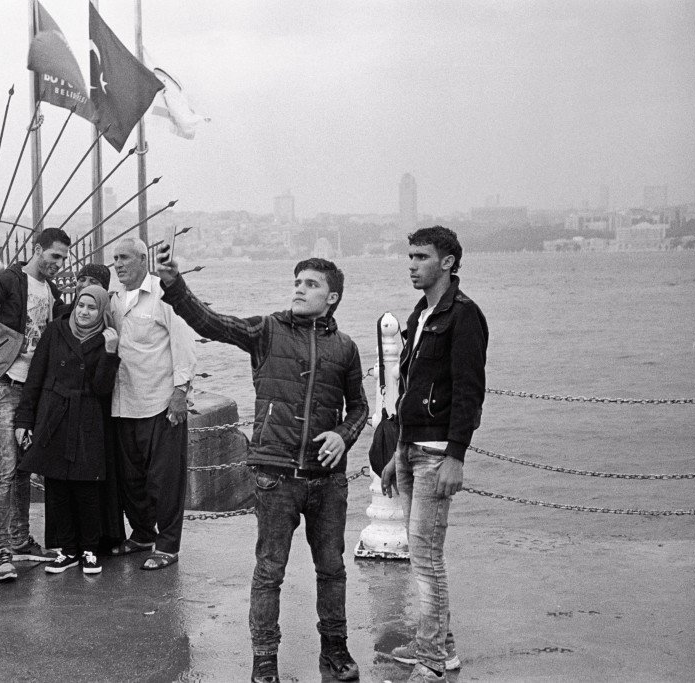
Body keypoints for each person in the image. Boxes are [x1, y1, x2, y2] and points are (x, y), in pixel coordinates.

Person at [155, 249, 368, 683]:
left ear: (333, 297)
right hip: (274, 474)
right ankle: (264, 659)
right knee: (270, 571)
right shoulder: (267, 330)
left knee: (332, 569)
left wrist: (342, 436)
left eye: (311, 284)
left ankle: (335, 650)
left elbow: (360, 408)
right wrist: (175, 286)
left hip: (327, 481)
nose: (299, 289)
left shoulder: (345, 347)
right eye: (298, 281)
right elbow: (213, 324)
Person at [381, 226, 488, 683]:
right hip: (410, 447)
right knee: (420, 553)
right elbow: (409, 389)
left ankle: (432, 659)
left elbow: (469, 391)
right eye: (409, 256)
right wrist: (394, 454)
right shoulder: (421, 315)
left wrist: (456, 455)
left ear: (447, 262)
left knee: (426, 557)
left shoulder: (463, 316)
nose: (411, 264)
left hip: (436, 452)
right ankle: (439, 646)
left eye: (421, 257)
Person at [0, 227, 71, 581]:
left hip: (32, 391)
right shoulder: (10, 279)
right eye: (54, 256)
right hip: (3, 384)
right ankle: (1, 552)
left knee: (23, 468)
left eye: (63, 259)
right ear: (37, 250)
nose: (58, 264)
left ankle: (21, 544)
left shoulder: (51, 291)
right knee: (5, 468)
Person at [14, 285, 120, 575]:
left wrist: (111, 354)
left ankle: (89, 549)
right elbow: (35, 376)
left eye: (92, 307)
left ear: (102, 311)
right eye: (81, 305)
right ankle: (67, 550)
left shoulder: (105, 339)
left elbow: (102, 388)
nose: (84, 312)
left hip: (88, 417)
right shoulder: (55, 331)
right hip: (54, 415)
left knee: (87, 486)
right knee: (57, 485)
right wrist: (24, 420)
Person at [109, 237, 196, 571]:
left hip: (160, 402)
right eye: (115, 258)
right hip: (122, 403)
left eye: (125, 257)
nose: (118, 264)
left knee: (165, 480)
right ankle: (143, 533)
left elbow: (184, 344)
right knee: (131, 479)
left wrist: (180, 393)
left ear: (143, 260)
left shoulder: (163, 295)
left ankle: (168, 545)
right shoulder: (114, 300)